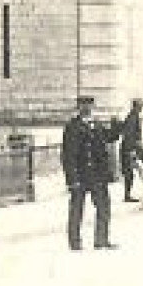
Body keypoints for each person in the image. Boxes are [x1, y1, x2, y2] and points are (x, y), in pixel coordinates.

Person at [61, 94, 122, 250]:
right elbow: (68, 155)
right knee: (76, 209)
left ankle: (101, 240)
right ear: (78, 107)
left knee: (104, 207)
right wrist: (71, 179)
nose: (86, 108)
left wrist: (117, 125)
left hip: (97, 175)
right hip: (80, 175)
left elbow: (110, 137)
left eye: (89, 105)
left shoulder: (97, 125)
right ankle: (74, 242)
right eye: (83, 105)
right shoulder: (72, 127)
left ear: (93, 107)